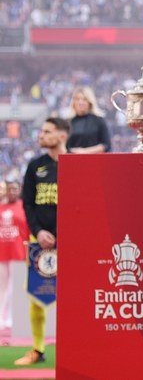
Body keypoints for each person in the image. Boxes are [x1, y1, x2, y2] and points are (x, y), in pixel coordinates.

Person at [14, 117, 67, 366]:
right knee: (38, 296)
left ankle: (77, 348)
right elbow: (28, 203)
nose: (41, 135)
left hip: (73, 241)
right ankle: (37, 349)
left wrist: (59, 232)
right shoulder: (36, 166)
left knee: (74, 297)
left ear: (62, 136)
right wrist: (39, 231)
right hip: (41, 242)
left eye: (47, 131)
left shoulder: (77, 163)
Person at [0, 180, 28, 330]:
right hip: (2, 251)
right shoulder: (1, 207)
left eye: (14, 189)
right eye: (9, 189)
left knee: (14, 287)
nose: (11, 192)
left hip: (18, 252)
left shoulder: (24, 207)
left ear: (19, 190)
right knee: (2, 286)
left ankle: (10, 317)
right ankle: (1, 317)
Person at [67, 86, 111, 153]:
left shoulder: (99, 120)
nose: (80, 102)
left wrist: (84, 151)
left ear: (90, 102)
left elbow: (106, 145)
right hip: (72, 160)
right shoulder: (68, 122)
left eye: (84, 99)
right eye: (77, 99)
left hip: (95, 160)